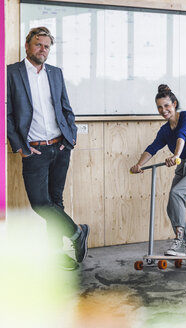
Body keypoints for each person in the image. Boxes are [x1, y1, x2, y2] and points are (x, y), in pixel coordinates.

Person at [7, 26, 89, 270]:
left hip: (60, 147)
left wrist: (70, 139)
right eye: (38, 44)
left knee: (55, 201)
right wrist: (21, 147)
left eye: (46, 46)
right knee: (41, 204)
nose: (42, 49)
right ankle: (77, 232)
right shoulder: (11, 73)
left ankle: (56, 255)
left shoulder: (55, 73)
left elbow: (66, 107)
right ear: (27, 45)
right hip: (34, 151)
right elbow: (7, 114)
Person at [130, 84, 186, 257]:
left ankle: (179, 241)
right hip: (184, 165)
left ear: (174, 104)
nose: (163, 110)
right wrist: (138, 164)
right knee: (172, 206)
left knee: (177, 193)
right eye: (160, 107)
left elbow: (183, 134)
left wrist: (176, 155)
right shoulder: (164, 130)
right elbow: (152, 148)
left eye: (166, 105)